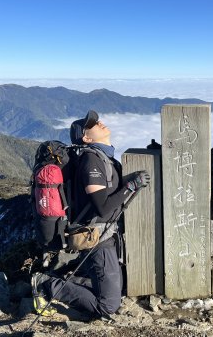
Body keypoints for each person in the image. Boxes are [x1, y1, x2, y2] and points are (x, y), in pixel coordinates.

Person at [31, 110, 150, 318]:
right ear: (86, 138)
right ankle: (45, 283)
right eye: (93, 124)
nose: (100, 123)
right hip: (96, 237)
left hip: (104, 234)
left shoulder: (102, 158)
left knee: (118, 287)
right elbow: (102, 207)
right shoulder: (92, 161)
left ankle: (61, 279)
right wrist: (131, 186)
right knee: (108, 306)